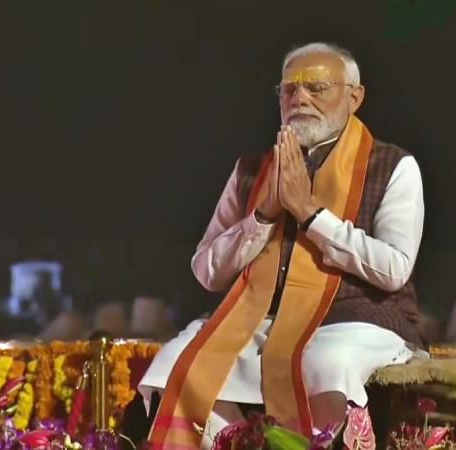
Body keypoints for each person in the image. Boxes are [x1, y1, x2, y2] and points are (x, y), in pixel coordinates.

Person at [138, 42, 426, 449]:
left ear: (355, 97)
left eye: (317, 88)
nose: (300, 98)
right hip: (261, 319)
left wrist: (310, 214)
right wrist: (263, 216)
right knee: (177, 359)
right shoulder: (252, 171)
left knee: (323, 363)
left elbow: (394, 268)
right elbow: (207, 270)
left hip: (357, 320)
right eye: (289, 89)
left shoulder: (393, 166)